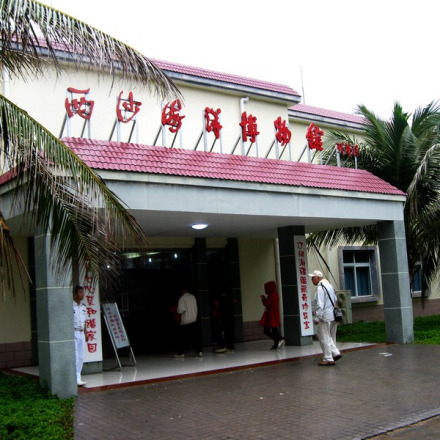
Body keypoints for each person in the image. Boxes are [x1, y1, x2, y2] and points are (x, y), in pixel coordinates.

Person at [309, 270, 342, 366]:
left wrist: (317, 317)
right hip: (333, 316)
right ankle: (334, 354)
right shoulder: (329, 286)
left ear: (318, 278)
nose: (312, 280)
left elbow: (320, 303)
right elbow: (335, 299)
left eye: (313, 278)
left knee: (324, 336)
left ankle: (329, 357)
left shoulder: (320, 287)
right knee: (330, 336)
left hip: (325, 316)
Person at [175, 287, 202, 358]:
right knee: (195, 337)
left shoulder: (182, 298)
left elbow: (180, 310)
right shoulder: (193, 297)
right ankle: (199, 351)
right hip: (194, 319)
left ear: (181, 291)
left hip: (186, 321)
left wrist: (177, 309)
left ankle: (180, 353)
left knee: (182, 338)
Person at [260, 281, 284, 350]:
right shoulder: (275, 294)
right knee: (274, 330)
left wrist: (263, 299)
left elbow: (266, 303)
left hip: (271, 315)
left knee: (266, 330)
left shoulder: (271, 295)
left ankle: (278, 339)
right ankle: (277, 343)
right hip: (275, 314)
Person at [73, 285, 89, 386]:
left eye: (83, 292)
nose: (82, 294)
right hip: (73, 332)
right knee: (75, 356)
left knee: (81, 356)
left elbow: (85, 322)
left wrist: (86, 333)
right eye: (80, 292)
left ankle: (78, 377)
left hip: (81, 332)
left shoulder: (83, 307)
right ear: (75, 294)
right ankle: (75, 378)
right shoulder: (71, 306)